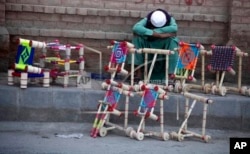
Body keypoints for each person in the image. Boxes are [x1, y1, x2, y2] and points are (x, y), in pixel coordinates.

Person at [127, 8, 179, 83]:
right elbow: (136, 28)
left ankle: (171, 75)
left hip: (163, 45)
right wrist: (158, 35)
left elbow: (174, 28)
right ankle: (137, 73)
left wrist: (153, 32)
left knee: (173, 41)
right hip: (148, 43)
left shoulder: (170, 19)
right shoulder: (148, 19)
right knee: (137, 39)